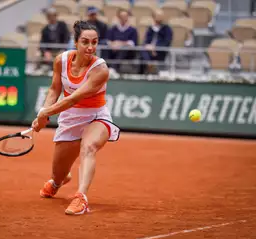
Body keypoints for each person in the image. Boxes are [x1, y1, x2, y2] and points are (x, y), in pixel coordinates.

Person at [31, 20, 120, 215]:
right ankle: (58, 181)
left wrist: (46, 113)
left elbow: (73, 98)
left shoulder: (100, 70)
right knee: (58, 173)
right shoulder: (61, 61)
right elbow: (55, 89)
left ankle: (81, 198)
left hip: (96, 116)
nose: (90, 47)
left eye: (94, 42)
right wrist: (43, 114)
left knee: (88, 147)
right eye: (85, 42)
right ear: (75, 42)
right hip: (70, 119)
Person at [138, 9, 173, 75]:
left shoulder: (167, 29)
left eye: (162, 16)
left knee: (143, 54)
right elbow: (146, 40)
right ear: (153, 16)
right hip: (149, 51)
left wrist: (155, 48)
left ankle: (148, 67)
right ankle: (149, 65)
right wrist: (149, 47)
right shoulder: (150, 28)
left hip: (160, 52)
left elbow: (167, 42)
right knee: (142, 49)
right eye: (158, 15)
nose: (161, 17)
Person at [106, 9, 138, 74]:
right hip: (113, 49)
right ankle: (104, 68)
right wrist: (113, 44)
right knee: (104, 45)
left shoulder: (133, 30)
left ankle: (113, 68)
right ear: (118, 17)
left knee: (124, 48)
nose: (123, 18)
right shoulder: (113, 29)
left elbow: (133, 43)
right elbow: (108, 40)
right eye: (121, 16)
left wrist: (120, 44)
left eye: (125, 16)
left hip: (127, 53)